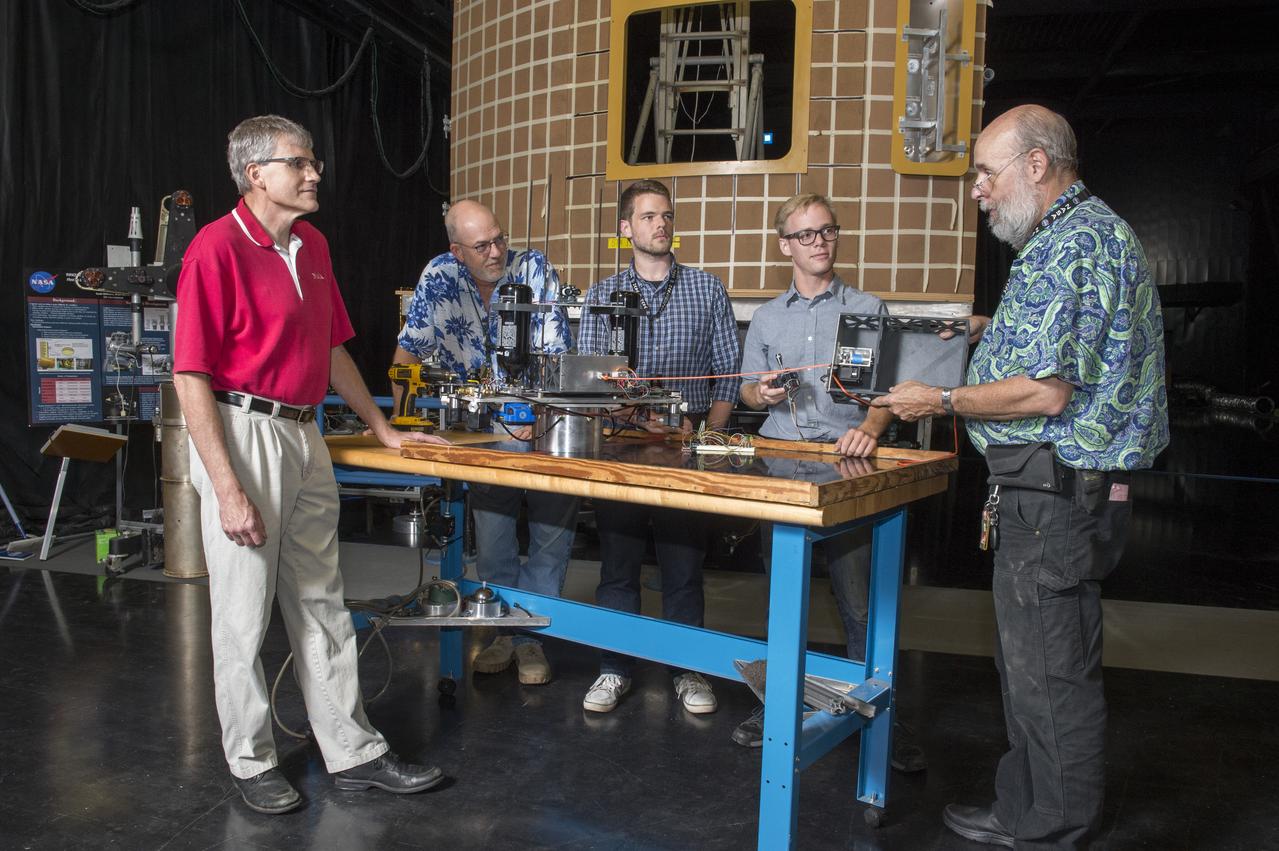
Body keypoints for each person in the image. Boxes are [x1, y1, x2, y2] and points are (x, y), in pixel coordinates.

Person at [874, 104, 1169, 848]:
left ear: (1035, 165)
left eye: (985, 172)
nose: (977, 189)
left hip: (1054, 494)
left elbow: (1046, 391)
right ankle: (1026, 808)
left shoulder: (1072, 244)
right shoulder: (1077, 233)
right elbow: (1059, 344)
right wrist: (989, 330)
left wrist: (939, 399)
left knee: (1048, 673)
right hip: (1057, 491)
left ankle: (1050, 829)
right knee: (1036, 663)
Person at [173, 115, 447, 815]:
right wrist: (227, 487)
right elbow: (189, 375)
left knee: (323, 601)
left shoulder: (313, 244)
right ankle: (250, 759)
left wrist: (382, 429)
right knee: (243, 613)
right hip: (241, 432)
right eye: (298, 162)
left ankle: (353, 752)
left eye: (313, 160)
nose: (314, 172)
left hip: (304, 433)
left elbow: (331, 349)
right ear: (255, 173)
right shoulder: (215, 248)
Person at [730, 193, 925, 773]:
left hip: (848, 466)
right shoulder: (768, 317)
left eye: (827, 231)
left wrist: (869, 428)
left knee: (859, 600)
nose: (819, 242)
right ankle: (779, 704)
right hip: (782, 467)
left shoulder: (867, 308)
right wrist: (760, 392)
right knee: (783, 598)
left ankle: (877, 715)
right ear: (784, 245)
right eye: (806, 234)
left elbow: (889, 393)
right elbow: (746, 390)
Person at [395, 199, 578, 686]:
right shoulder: (439, 277)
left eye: (499, 239)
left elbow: (558, 355)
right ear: (457, 251)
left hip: (543, 427)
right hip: (481, 434)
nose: (496, 252)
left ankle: (532, 638)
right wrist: (396, 422)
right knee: (494, 540)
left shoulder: (534, 268)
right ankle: (503, 631)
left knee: (550, 535)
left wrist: (536, 420)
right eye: (482, 246)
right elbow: (408, 352)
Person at [576, 179, 742, 715]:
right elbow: (590, 382)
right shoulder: (602, 296)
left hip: (685, 451)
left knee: (683, 569)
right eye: (648, 217)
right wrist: (636, 418)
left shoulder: (707, 289)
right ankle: (614, 667)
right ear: (626, 228)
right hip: (620, 451)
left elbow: (728, 373)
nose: (661, 224)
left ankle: (686, 668)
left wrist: (707, 438)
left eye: (666, 215)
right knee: (618, 568)